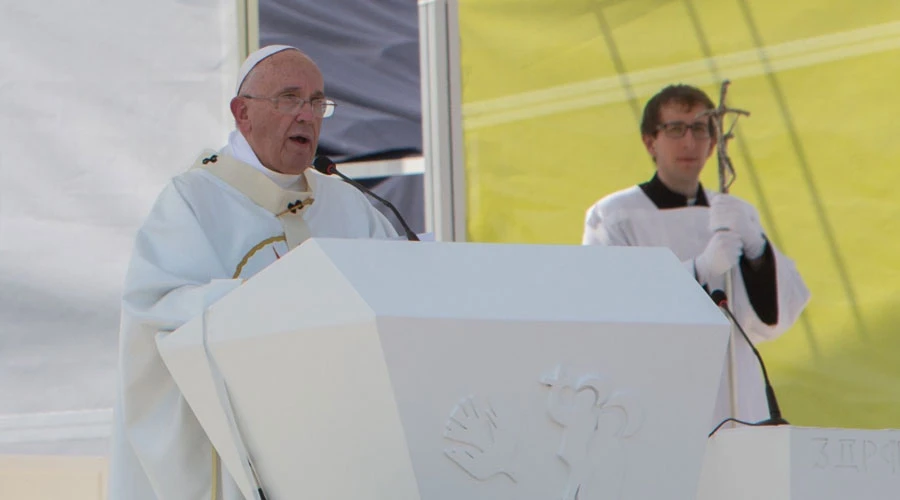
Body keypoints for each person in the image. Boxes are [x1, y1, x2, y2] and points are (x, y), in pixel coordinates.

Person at [108, 45, 399, 500]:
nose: (306, 115)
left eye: (316, 102)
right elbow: (155, 311)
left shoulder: (348, 203)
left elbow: (398, 290)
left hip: (340, 437)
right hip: (245, 443)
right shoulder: (193, 201)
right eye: (288, 98)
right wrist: (266, 304)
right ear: (242, 113)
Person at [581, 84, 810, 429]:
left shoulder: (733, 213)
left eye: (700, 129)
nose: (689, 143)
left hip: (736, 385)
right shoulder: (615, 216)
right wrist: (698, 271)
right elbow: (612, 304)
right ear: (650, 142)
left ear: (714, 142)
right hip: (659, 386)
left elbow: (779, 310)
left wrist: (757, 253)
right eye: (675, 129)